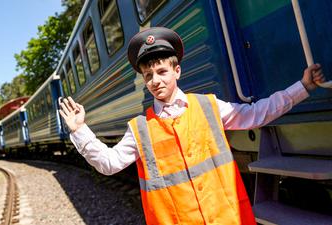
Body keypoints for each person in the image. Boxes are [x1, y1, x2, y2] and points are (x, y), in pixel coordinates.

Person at [59, 27, 325, 225]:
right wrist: (80, 130)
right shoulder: (140, 128)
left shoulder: (209, 106)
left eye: (162, 71)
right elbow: (109, 163)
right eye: (148, 75)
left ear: (177, 71)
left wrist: (302, 88)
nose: (155, 80)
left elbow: (257, 114)